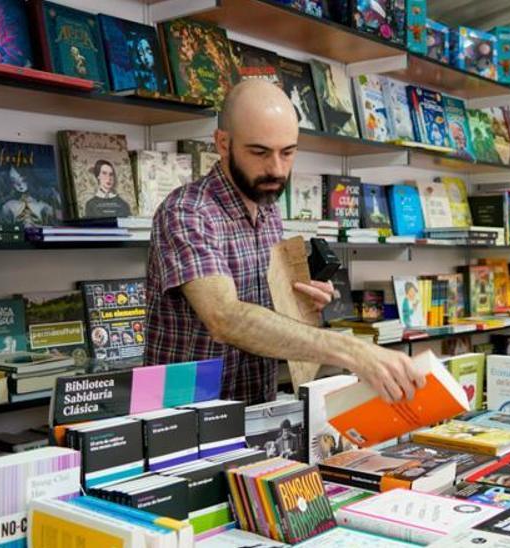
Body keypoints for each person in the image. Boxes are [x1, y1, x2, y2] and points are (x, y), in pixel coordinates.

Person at [146, 79, 425, 405]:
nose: (276, 169)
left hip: (256, 407)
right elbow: (225, 317)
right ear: (223, 143)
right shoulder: (187, 211)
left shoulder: (268, 210)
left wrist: (301, 304)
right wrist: (354, 350)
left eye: (288, 152)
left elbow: (263, 315)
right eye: (260, 152)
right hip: (185, 417)